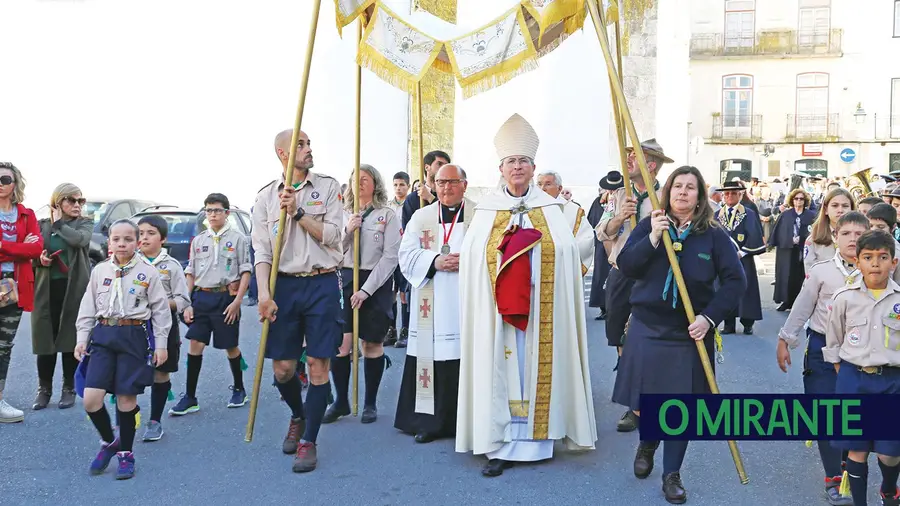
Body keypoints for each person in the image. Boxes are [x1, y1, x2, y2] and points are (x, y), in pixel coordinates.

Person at [456, 113, 596, 477]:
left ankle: (538, 440)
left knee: (535, 368)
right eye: (510, 162)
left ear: (534, 168)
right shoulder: (486, 211)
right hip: (497, 311)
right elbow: (472, 258)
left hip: (541, 308)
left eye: (523, 162)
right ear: (500, 168)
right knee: (501, 369)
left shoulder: (553, 211)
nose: (517, 167)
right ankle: (500, 444)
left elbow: (569, 252)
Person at [613, 165, 746, 504]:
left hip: (688, 333)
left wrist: (709, 318)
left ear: (700, 196)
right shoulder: (649, 225)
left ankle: (671, 473)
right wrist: (654, 238)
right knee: (644, 405)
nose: (683, 192)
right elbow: (627, 266)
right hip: (646, 327)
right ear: (667, 192)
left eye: (691, 187)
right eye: (677, 186)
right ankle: (647, 441)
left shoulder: (713, 235)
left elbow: (735, 281)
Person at [252, 129, 343, 473]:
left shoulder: (329, 188)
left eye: (309, 143)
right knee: (283, 368)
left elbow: (335, 237)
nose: (308, 149)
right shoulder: (265, 198)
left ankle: (310, 441)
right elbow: (261, 251)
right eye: (300, 145)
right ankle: (298, 415)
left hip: (321, 283)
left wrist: (300, 213)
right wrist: (263, 294)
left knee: (319, 366)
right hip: (284, 286)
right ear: (282, 153)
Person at [776, 212, 867, 506]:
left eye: (858, 234)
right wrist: (785, 340)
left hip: (863, 355)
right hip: (822, 350)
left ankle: (847, 466)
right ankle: (832, 476)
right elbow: (802, 308)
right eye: (846, 234)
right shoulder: (821, 272)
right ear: (836, 238)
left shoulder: (880, 269)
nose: (853, 239)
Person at [74, 220, 172, 480]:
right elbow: (88, 306)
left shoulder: (148, 272)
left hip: (133, 336)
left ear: (137, 242)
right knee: (91, 399)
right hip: (104, 335)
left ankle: (126, 453)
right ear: (109, 243)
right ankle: (109, 442)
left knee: (126, 399)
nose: (121, 243)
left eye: (128, 239)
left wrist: (160, 344)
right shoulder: (100, 271)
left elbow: (161, 312)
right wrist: (82, 338)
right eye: (116, 239)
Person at [596, 138, 672, 432]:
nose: (627, 161)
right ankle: (635, 400)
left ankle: (645, 404)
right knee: (619, 338)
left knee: (649, 338)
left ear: (650, 164)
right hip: (621, 273)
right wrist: (618, 218)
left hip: (653, 276)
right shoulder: (617, 195)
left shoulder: (667, 194)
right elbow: (602, 232)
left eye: (634, 157)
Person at [395, 163, 473, 443]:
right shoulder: (421, 216)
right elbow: (405, 254)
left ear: (465, 184)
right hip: (432, 295)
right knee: (430, 356)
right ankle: (428, 422)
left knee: (465, 354)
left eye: (453, 182)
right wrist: (435, 260)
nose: (446, 188)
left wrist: (470, 261)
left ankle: (468, 421)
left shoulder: (480, 215)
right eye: (440, 183)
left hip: (467, 297)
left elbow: (493, 251)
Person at [825, 230, 900, 506]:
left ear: (894, 262)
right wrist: (843, 373)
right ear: (858, 262)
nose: (876, 264)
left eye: (883, 257)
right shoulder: (845, 297)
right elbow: (834, 339)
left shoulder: (898, 299)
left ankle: (889, 489)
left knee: (889, 451)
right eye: (868, 258)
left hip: (892, 381)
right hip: (853, 379)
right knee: (856, 449)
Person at [323, 164, 400, 424]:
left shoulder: (386, 215)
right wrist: (347, 232)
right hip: (344, 278)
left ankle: (369, 403)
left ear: (375, 183)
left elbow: (390, 257)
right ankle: (341, 400)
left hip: (374, 282)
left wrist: (366, 291)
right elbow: (331, 252)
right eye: (357, 179)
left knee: (371, 343)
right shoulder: (342, 215)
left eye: (366, 179)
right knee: (342, 344)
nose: (361, 183)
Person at [169, 193, 252, 416]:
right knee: (195, 344)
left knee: (230, 345)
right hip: (201, 298)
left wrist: (237, 301)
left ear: (227, 213)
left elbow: (245, 271)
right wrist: (186, 302)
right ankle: (190, 396)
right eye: (209, 210)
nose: (213, 214)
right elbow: (191, 272)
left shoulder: (238, 239)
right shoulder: (199, 240)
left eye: (217, 210)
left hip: (225, 298)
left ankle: (239, 388)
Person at [31, 183, 91, 410]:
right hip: (46, 288)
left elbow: (79, 241)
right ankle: (44, 390)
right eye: (71, 200)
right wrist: (40, 260)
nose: (77, 205)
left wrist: (59, 224)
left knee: (71, 338)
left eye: (80, 201)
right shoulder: (42, 226)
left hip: (74, 289)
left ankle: (69, 388)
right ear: (58, 202)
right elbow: (32, 254)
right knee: (44, 338)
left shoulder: (84, 223)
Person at [136, 215, 190, 441]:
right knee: (130, 372)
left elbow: (183, 300)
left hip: (164, 326)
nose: (144, 238)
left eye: (150, 233)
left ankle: (155, 421)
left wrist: (159, 303)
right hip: (135, 327)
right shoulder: (130, 262)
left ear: (163, 238)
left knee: (160, 372)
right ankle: (127, 416)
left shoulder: (172, 266)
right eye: (140, 233)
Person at [0, 162, 43, 423]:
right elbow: (25, 249)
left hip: (13, 288)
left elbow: (35, 249)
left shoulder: (26, 215)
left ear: (15, 184)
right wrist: (18, 246)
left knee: (3, 347)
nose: (0, 183)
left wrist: (4, 246)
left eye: (5, 179)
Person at [714, 180, 766, 335]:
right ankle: (728, 324)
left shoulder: (748, 213)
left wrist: (742, 252)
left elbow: (755, 234)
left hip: (744, 259)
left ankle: (747, 323)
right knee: (725, 290)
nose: (730, 196)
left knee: (746, 291)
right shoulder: (717, 216)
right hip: (724, 262)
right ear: (723, 195)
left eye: (734, 193)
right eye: (727, 193)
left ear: (740, 194)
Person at [537, 170, 594, 273]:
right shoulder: (530, 209)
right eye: (539, 184)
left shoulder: (573, 211)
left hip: (563, 269)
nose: (542, 189)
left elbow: (586, 240)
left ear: (559, 188)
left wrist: (559, 251)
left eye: (548, 184)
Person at [768, 188, 815, 312]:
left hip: (803, 250)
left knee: (800, 276)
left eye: (801, 199)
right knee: (786, 276)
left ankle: (799, 303)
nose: (798, 201)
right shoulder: (786, 214)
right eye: (796, 198)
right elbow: (779, 231)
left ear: (805, 201)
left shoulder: (811, 216)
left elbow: (814, 232)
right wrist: (789, 239)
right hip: (787, 250)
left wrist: (802, 238)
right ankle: (786, 301)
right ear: (792, 200)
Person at [588, 172, 624, 320]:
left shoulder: (624, 199)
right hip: (602, 245)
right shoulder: (599, 202)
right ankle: (604, 307)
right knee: (601, 275)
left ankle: (615, 308)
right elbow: (593, 221)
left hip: (620, 245)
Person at [804, 188, 855, 272]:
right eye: (835, 205)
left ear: (852, 209)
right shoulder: (813, 240)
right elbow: (810, 274)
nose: (840, 210)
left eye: (845, 206)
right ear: (826, 210)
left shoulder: (861, 238)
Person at [387, 171, 410, 347]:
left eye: (402, 184)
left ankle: (405, 330)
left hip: (406, 252)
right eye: (395, 185)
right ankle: (391, 330)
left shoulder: (410, 204)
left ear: (408, 186)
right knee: (391, 293)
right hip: (391, 253)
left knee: (404, 294)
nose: (398, 188)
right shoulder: (388, 206)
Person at [401, 151, 450, 230]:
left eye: (446, 166)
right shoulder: (412, 198)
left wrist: (430, 198)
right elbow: (407, 229)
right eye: (439, 164)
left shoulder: (449, 195)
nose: (443, 168)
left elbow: (450, 218)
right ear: (427, 167)